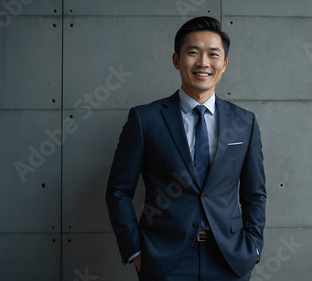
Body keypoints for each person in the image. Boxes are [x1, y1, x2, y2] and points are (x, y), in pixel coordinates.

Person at [106, 16, 266, 281]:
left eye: (213, 54)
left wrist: (253, 247)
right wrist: (135, 252)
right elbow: (119, 191)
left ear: (224, 64)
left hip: (230, 258)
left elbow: (255, 194)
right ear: (177, 60)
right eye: (193, 53)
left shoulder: (244, 122)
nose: (203, 62)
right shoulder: (145, 119)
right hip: (164, 260)